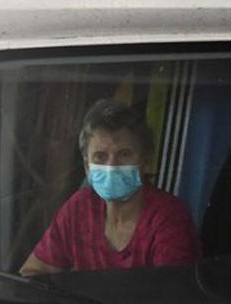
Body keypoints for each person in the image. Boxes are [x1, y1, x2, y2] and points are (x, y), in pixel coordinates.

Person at [20, 99, 201, 277]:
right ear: (87, 166)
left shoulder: (169, 218)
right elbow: (31, 272)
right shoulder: (79, 208)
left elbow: (171, 291)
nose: (112, 166)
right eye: (100, 156)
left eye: (124, 154)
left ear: (145, 161)